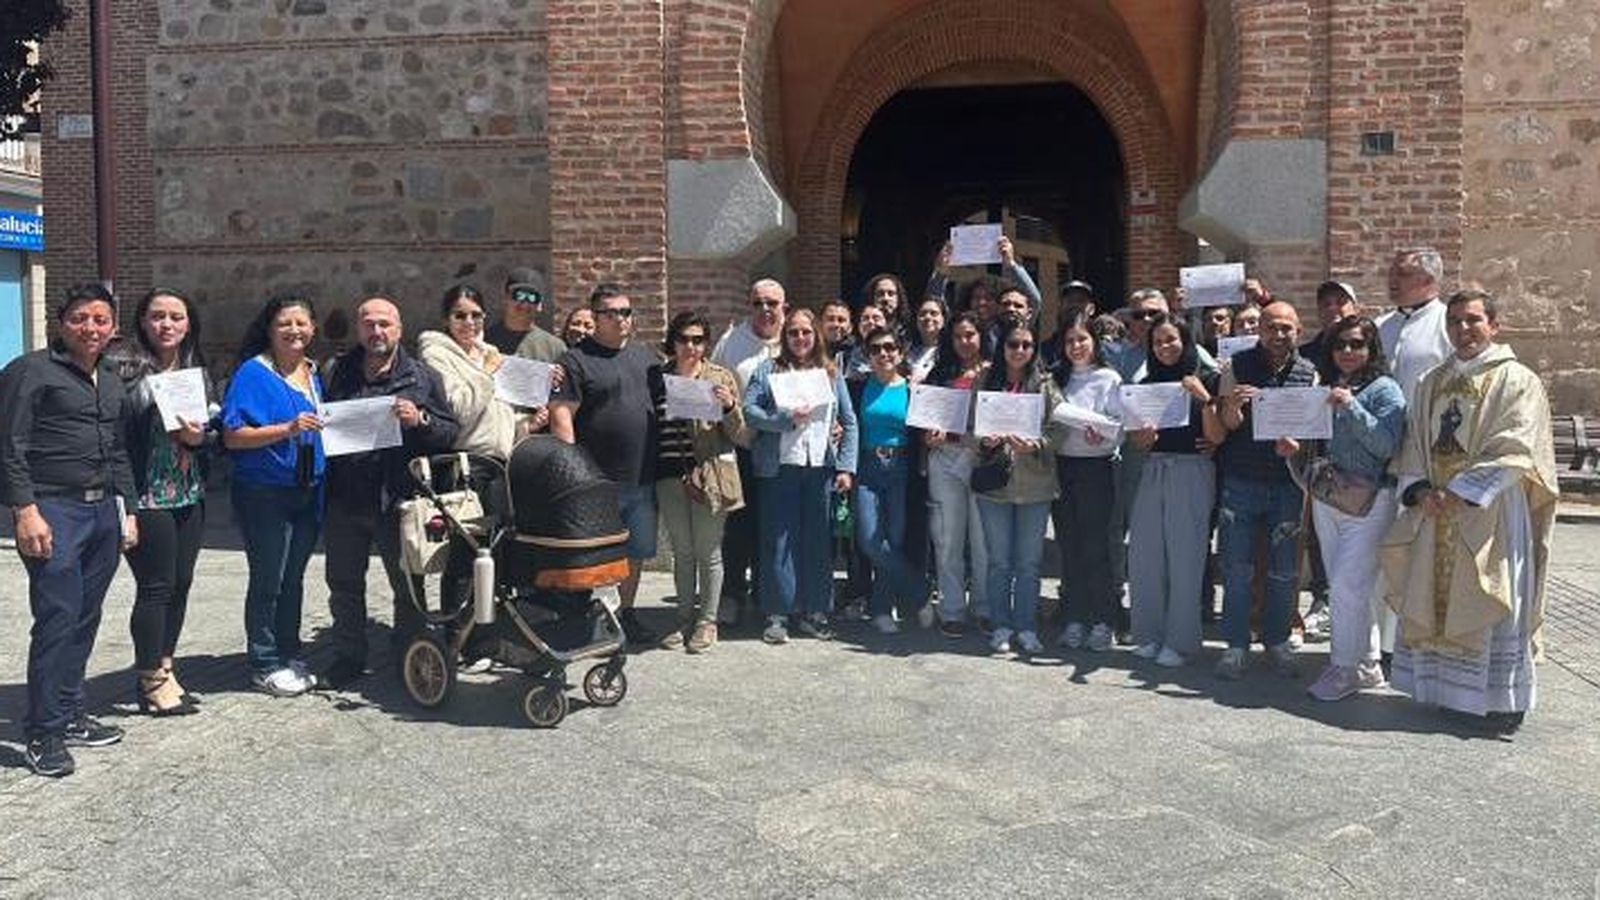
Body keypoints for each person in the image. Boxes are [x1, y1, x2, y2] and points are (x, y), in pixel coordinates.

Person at [1381, 290, 1558, 733]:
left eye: (1473, 320)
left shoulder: (1518, 380)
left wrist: (1460, 491)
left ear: (1494, 325)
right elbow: (1414, 442)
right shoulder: (1431, 382)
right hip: (1436, 510)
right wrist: (1422, 490)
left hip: (1492, 507)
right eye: (1455, 321)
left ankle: (1500, 701)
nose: (1463, 329)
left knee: (1491, 590)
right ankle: (1449, 693)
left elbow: (1517, 445)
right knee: (1436, 593)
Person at [1, 283, 138, 777]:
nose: (91, 328)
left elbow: (119, 450)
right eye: (81, 318)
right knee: (58, 616)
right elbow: (10, 446)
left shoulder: (110, 376)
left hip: (103, 511)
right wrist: (24, 510)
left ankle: (70, 708)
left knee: (86, 615)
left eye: (101, 320)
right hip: (52, 509)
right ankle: (44, 731)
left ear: (113, 327)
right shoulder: (29, 371)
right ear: (62, 322)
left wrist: (130, 511)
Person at [319, 297, 459, 688]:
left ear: (399, 328)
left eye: (384, 324)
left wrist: (422, 420)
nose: (376, 331)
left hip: (399, 499)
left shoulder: (422, 376)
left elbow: (450, 433)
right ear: (358, 329)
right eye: (368, 324)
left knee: (408, 585)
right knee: (344, 585)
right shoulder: (336, 372)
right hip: (346, 499)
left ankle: (409, 653)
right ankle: (349, 656)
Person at [1286, 316, 1406, 701]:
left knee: (1346, 586)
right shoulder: (1331, 384)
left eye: (1357, 344)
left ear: (1371, 349)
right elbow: (1319, 443)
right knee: (1354, 590)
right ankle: (1367, 665)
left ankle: (1343, 667)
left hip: (1370, 501)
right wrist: (1294, 450)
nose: (1348, 352)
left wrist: (1352, 406)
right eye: (1341, 345)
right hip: (1331, 497)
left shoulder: (1385, 389)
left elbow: (1387, 446)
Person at [111, 288, 215, 716]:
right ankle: (149, 678)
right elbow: (115, 438)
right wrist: (125, 504)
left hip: (188, 491)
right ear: (143, 321)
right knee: (156, 587)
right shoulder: (122, 369)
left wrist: (199, 438)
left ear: (188, 323)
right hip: (147, 495)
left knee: (182, 583)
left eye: (176, 317)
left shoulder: (197, 370)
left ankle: (166, 666)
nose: (166, 325)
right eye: (157, 316)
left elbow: (209, 433)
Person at [222, 293, 327, 697]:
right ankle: (264, 661)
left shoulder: (313, 373)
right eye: (285, 323)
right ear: (269, 329)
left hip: (309, 490)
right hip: (265, 493)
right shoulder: (253, 373)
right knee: (269, 578)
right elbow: (233, 436)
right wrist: (287, 428)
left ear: (313, 328)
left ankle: (288, 651)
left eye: (301, 323)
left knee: (294, 578)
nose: (294, 331)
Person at [1208, 300, 1319, 680]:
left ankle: (1276, 641)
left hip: (1287, 483)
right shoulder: (1236, 366)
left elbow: (1311, 433)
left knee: (1284, 571)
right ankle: (1236, 646)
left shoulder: (1309, 373)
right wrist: (1235, 408)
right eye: (1272, 327)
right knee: (1236, 568)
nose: (1279, 334)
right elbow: (1226, 423)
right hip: (1241, 479)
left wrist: (1297, 445)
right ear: (1260, 330)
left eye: (1286, 327)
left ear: (1298, 331)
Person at [549, 284, 661, 644]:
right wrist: (574, 474)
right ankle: (595, 620)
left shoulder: (647, 359)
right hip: (597, 481)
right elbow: (561, 415)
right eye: (611, 313)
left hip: (642, 476)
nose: (620, 319)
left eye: (626, 312)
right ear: (595, 317)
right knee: (597, 557)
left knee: (636, 553)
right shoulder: (576, 360)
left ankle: (625, 614)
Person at [742, 308, 858, 644]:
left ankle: (815, 611)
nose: (800, 338)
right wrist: (784, 418)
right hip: (779, 468)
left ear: (816, 334)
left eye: (806, 332)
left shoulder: (831, 373)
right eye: (793, 332)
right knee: (778, 542)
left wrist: (846, 468)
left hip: (820, 468)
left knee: (817, 542)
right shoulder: (768, 369)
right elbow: (750, 411)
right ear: (785, 336)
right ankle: (778, 614)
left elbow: (849, 421)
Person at [417, 283, 528, 623]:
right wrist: (488, 373)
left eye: (476, 315)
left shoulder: (487, 352)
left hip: (499, 464)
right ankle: (457, 634)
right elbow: (460, 408)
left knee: (496, 550)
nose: (469, 322)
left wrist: (526, 422)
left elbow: (496, 412)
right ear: (446, 319)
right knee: (466, 553)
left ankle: (488, 629)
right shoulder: (436, 354)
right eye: (460, 315)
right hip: (466, 465)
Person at [1374, 247, 1455, 672]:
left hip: (1423, 461)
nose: (1392, 280)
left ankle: (1418, 642)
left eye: (1401, 274)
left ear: (1429, 280)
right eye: (1392, 271)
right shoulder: (1379, 327)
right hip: (1378, 462)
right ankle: (1383, 647)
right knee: (1385, 554)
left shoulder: (1446, 325)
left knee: (1418, 553)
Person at [1125, 314, 1219, 667]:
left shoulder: (1205, 378)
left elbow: (1218, 436)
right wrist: (1142, 439)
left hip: (1192, 469)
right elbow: (1137, 440)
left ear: (1186, 341)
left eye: (1172, 340)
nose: (1165, 347)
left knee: (1185, 557)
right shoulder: (1147, 383)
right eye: (1158, 342)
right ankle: (1148, 633)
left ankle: (1180, 641)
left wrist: (1205, 397)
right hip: (1154, 468)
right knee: (1145, 554)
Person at [969, 320, 1065, 656]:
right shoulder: (984, 381)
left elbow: (1061, 429)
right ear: (1002, 348)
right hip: (995, 486)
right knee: (999, 562)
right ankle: (1001, 627)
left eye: (1026, 345)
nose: (1020, 350)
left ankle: (1026, 627)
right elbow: (969, 430)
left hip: (1035, 486)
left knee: (1029, 563)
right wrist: (985, 441)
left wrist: (1037, 444)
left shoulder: (1046, 384)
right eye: (1013, 344)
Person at [651, 311, 744, 654]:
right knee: (682, 551)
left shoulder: (719, 376)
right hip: (668, 474)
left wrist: (730, 405)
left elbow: (741, 434)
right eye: (683, 339)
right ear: (672, 342)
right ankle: (682, 617)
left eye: (697, 340)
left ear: (706, 343)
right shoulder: (658, 377)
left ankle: (707, 620)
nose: (690, 346)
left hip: (709, 475)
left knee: (708, 550)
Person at [710, 278, 786, 624]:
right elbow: (711, 384)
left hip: (784, 451)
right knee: (738, 527)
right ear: (749, 306)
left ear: (784, 305)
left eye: (772, 302)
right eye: (758, 303)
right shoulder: (731, 342)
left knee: (774, 526)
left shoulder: (796, 338)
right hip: (741, 446)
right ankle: (733, 594)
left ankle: (768, 595)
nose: (765, 310)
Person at [1049, 309, 1123, 652]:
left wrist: (1104, 437)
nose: (1076, 346)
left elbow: (1119, 428)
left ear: (1094, 341)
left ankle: (1103, 620)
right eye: (1069, 341)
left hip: (1096, 470)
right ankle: (1075, 618)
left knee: (1096, 549)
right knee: (1070, 548)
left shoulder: (1108, 378)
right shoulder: (1056, 379)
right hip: (1062, 468)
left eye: (1082, 339)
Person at [853, 327, 931, 635]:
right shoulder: (858, 387)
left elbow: (925, 429)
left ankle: (882, 608)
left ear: (900, 353)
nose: (883, 353)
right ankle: (920, 591)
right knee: (871, 541)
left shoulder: (913, 390)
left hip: (901, 468)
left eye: (889, 348)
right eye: (876, 349)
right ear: (868, 355)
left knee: (894, 540)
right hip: (868, 466)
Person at [1296, 280, 1362, 642]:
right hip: (1318, 453)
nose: (1333, 307)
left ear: (1355, 305)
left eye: (1341, 301)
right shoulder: (1306, 354)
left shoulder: (1367, 351)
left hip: (1359, 456)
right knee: (1319, 535)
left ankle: (1352, 606)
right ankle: (1322, 599)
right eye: (1326, 302)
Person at [923, 311, 991, 637]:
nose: (965, 342)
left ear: (980, 336)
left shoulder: (996, 373)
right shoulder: (939, 374)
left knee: (983, 541)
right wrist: (928, 436)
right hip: (946, 459)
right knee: (948, 538)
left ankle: (984, 607)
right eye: (958, 336)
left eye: (970, 335)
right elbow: (923, 420)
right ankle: (951, 610)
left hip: (981, 460)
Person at [486, 266, 558, 357]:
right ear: (505, 298)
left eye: (532, 297)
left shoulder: (555, 349)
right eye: (519, 295)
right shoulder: (484, 341)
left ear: (540, 305)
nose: (524, 304)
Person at [908, 296, 946, 382]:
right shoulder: (907, 351)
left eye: (934, 313)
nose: (928, 317)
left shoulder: (950, 352)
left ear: (943, 320)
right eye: (922, 314)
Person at [820, 299, 855, 369]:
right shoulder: (808, 352)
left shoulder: (859, 355)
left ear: (850, 327)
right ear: (820, 324)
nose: (836, 324)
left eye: (841, 320)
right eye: (830, 319)